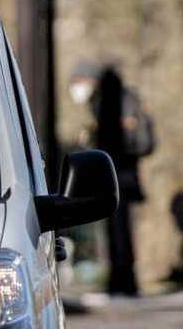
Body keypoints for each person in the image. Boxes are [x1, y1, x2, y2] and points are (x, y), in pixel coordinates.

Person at [69, 60, 155, 296]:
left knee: (119, 232)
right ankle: (123, 280)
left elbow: (123, 140)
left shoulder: (112, 100)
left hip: (119, 177)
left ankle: (122, 281)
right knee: (121, 231)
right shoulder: (119, 99)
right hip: (123, 176)